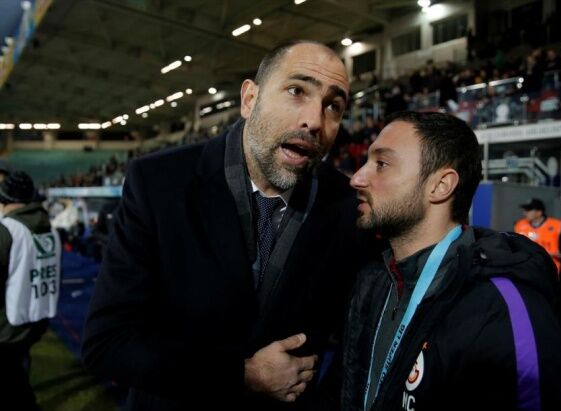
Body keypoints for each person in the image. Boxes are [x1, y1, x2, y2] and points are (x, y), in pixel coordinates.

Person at [81, 40, 376, 410]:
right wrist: (242, 375)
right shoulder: (158, 183)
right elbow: (106, 342)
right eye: (296, 91)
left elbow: (356, 347)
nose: (314, 121)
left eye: (333, 106)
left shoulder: (346, 207)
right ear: (250, 99)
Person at [338, 111, 561, 410]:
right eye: (367, 162)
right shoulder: (373, 278)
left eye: (382, 164)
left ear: (440, 186)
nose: (357, 178)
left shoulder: (502, 307)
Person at [0, 170, 62, 410]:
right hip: (36, 319)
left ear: (5, 200)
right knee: (19, 374)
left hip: (7, 327)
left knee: (14, 387)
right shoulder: (50, 228)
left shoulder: (8, 230)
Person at [514, 197, 561, 274]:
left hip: (549, 268)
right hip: (526, 268)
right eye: (525, 210)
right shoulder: (519, 225)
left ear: (539, 212)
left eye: (528, 210)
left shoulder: (556, 225)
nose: (525, 213)